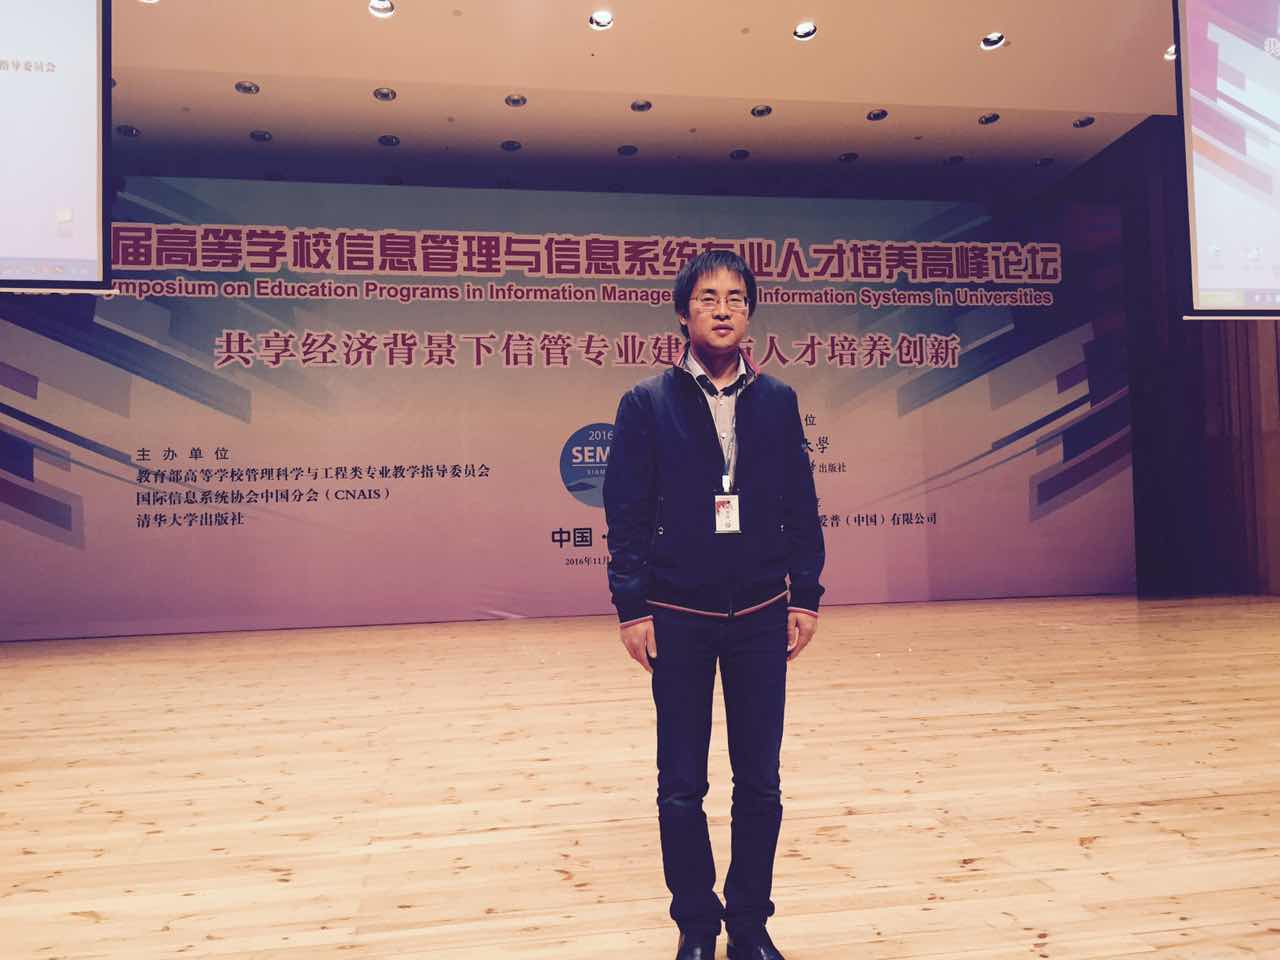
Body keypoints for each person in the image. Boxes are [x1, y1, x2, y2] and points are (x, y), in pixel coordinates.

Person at [603, 250, 825, 960]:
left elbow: (800, 503)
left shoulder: (778, 400)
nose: (722, 309)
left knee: (760, 781)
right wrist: (632, 607)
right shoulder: (646, 403)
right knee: (680, 785)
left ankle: (750, 925)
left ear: (750, 314)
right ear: (682, 313)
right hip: (678, 615)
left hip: (762, 612)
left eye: (735, 298)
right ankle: (696, 927)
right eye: (707, 297)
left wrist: (806, 593)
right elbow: (626, 512)